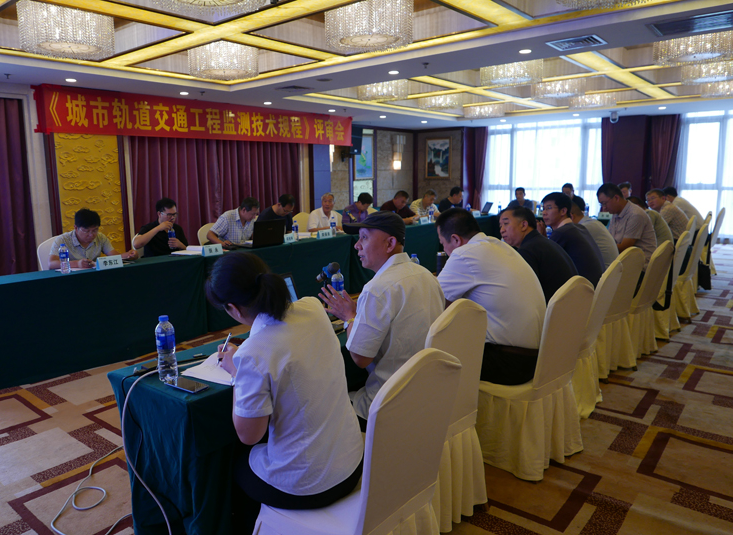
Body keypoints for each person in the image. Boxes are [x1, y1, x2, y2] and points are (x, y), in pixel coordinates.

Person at [207, 253, 363, 534]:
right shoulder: (313, 307)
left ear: (233, 308)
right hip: (352, 462)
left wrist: (237, 373)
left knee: (231, 465)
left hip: (310, 485)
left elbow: (249, 435)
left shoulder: (253, 353)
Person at [319, 211, 444, 429]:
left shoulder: (377, 288)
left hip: (389, 404)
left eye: (364, 238)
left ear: (390, 243)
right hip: (427, 394)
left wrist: (349, 317)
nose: (357, 245)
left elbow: (360, 358)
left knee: (321, 404)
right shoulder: (426, 275)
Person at [436, 209, 545, 385]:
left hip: (510, 362)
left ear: (455, 239)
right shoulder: (499, 245)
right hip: (536, 356)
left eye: (443, 243)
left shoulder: (464, 254)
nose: (444, 250)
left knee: (433, 360)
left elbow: (434, 301)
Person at [500, 206, 577, 303]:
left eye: (506, 224)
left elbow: (523, 293)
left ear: (523, 225)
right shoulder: (540, 242)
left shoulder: (528, 250)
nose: (502, 230)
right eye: (500, 226)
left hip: (557, 308)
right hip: (573, 304)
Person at [539, 192, 604, 287]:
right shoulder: (579, 227)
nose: (544, 213)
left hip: (583, 290)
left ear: (563, 211)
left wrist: (539, 237)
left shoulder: (561, 232)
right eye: (543, 209)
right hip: (597, 287)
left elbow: (545, 264)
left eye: (548, 208)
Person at [48, 208, 137, 269]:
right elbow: (51, 264)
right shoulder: (62, 240)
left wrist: (129, 255)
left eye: (95, 230)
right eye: (86, 231)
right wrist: (77, 264)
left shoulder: (100, 237)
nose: (91, 235)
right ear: (76, 228)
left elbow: (115, 256)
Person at [597, 183, 656, 270]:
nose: (604, 208)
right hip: (626, 260)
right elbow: (611, 239)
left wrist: (599, 248)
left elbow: (624, 247)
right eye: (601, 205)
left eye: (604, 203)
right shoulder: (615, 213)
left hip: (640, 266)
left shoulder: (635, 214)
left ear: (616, 198)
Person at [572, 195, 619, 270]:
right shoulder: (592, 222)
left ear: (571, 216)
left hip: (605, 274)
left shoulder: (583, 228)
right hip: (612, 272)